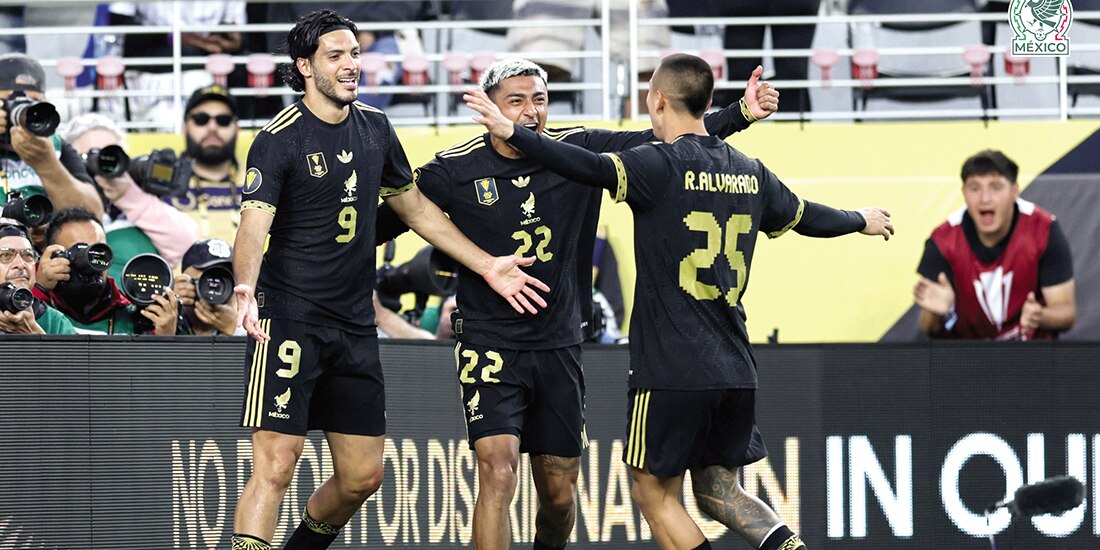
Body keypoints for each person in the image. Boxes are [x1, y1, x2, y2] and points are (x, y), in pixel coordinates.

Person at [466, 52, 893, 550]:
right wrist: (860, 219)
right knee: (717, 492)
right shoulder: (752, 172)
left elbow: (584, 164)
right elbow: (808, 216)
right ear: (707, 101)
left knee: (652, 494)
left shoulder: (655, 165)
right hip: (736, 367)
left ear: (657, 100)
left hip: (670, 370)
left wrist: (513, 133)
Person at [394, 57, 776, 550]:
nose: (531, 112)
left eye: (539, 100)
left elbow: (669, 138)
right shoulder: (454, 169)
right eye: (516, 101)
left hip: (559, 347)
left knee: (557, 497)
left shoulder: (576, 150)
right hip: (489, 343)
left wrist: (741, 113)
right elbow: (391, 216)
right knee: (498, 472)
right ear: (489, 106)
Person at [230, 11, 550, 550]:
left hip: (354, 324)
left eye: (355, 53)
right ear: (305, 67)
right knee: (277, 463)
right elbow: (252, 226)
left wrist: (487, 264)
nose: (351, 64)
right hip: (289, 318)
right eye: (336, 56)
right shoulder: (277, 138)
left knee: (362, 476)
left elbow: (418, 210)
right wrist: (245, 289)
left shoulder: (376, 127)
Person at [913, 150, 1075, 340]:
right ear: (964, 193)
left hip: (1031, 357)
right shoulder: (943, 240)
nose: (985, 198)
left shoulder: (1044, 230)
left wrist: (1040, 316)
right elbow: (928, 327)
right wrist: (940, 313)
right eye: (975, 188)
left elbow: (1066, 313)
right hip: (967, 360)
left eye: (995, 187)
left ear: (1015, 191)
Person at [63, 113, 201, 277]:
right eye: (92, 155)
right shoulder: (58, 206)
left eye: (112, 153)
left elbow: (188, 244)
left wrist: (129, 197)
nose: (105, 163)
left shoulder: (138, 203)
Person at [34, 207, 179, 335]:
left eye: (98, 251)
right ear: (52, 257)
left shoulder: (134, 317)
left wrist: (164, 340)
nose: (91, 261)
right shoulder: (31, 305)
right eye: (79, 252)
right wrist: (39, 291)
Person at [0, 53, 104, 224]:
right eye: (8, 100)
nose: (21, 109)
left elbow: (92, 216)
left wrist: (47, 164)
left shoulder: (54, 147)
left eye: (32, 103)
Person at [107, 2, 246, 126]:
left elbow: (235, 26)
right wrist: (174, 37)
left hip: (209, 63)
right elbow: (120, 22)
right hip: (151, 67)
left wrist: (232, 39)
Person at [171, 85, 243, 244]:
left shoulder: (260, 180)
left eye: (223, 120)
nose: (212, 127)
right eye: (201, 119)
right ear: (185, 128)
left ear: (237, 129)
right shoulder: (164, 180)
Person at [0, 220, 75, 334]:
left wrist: (32, 333)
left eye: (28, 255)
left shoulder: (55, 321)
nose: (21, 265)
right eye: (6, 255)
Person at [173, 237, 240, 336]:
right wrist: (171, 308)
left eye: (225, 280)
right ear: (183, 282)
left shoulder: (253, 327)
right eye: (207, 278)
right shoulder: (169, 319)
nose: (215, 287)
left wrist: (234, 330)